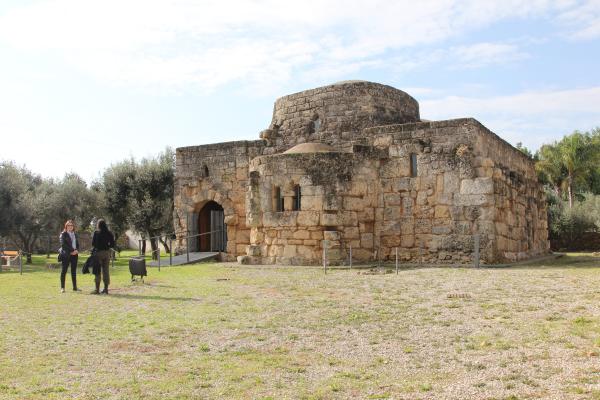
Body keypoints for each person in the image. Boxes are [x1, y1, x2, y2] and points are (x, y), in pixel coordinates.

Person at [92, 219, 115, 294]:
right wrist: (107, 246)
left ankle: (97, 289)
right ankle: (106, 289)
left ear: (98, 225)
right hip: (107, 253)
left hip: (98, 253)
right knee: (106, 271)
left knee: (97, 271)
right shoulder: (109, 233)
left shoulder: (96, 233)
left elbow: (93, 244)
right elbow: (112, 244)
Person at [59, 220, 80, 293]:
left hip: (75, 255)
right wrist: (71, 251)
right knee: (64, 271)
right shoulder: (63, 234)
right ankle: (62, 288)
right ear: (66, 226)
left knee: (73, 271)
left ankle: (75, 287)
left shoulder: (75, 234)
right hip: (66, 255)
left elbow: (77, 244)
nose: (70, 227)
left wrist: (77, 250)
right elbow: (63, 245)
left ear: (73, 226)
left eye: (71, 225)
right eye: (69, 225)